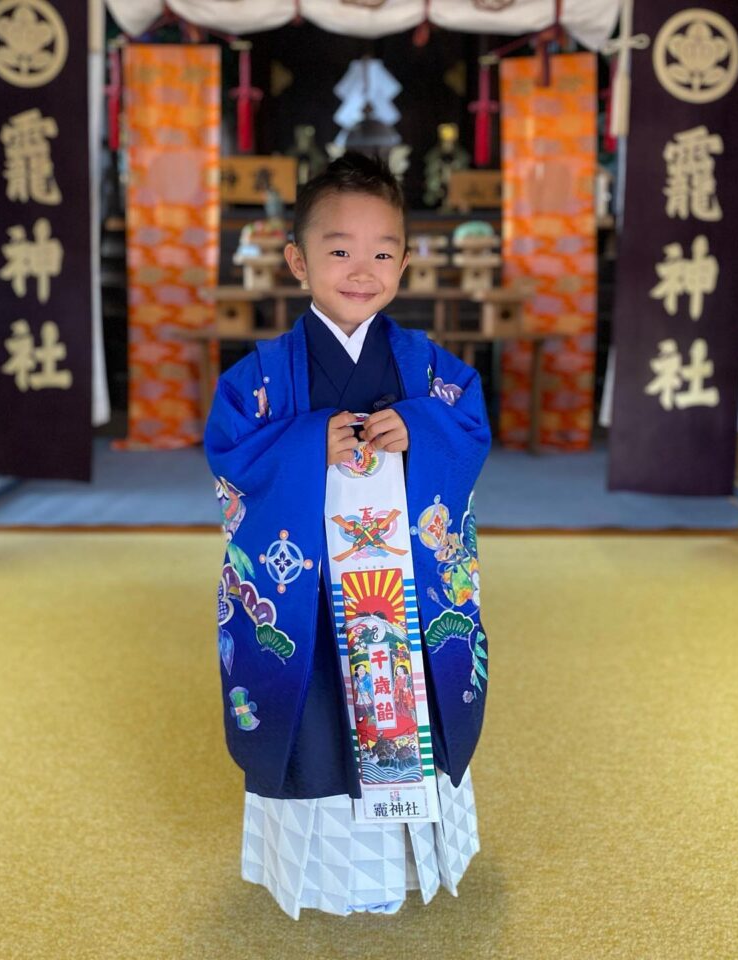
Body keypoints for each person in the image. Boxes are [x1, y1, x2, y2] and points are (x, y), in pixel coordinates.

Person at [204, 152, 491, 919]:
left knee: (410, 706)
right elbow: (231, 456)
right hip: (315, 600)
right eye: (339, 250)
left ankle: (405, 865)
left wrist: (421, 427)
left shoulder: (428, 369)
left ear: (405, 260)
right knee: (317, 719)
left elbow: (467, 422)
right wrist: (304, 445)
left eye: (382, 252)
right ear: (298, 259)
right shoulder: (259, 379)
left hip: (404, 601)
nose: (361, 269)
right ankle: (322, 875)